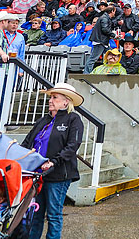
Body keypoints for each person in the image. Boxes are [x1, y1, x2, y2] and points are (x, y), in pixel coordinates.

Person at [22, 82, 84, 239]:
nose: (50, 100)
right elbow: (28, 141)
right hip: (37, 175)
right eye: (50, 97)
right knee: (35, 215)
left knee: (53, 215)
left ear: (66, 101)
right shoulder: (43, 120)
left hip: (58, 175)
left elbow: (72, 146)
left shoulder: (73, 119)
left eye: (55, 97)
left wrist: (53, 162)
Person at [84, 5, 116, 73]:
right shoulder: (104, 18)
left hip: (103, 41)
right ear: (112, 11)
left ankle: (110, 71)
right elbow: (105, 29)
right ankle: (86, 73)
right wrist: (113, 35)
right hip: (100, 41)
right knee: (93, 59)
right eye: (114, 11)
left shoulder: (105, 17)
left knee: (112, 54)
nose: (114, 13)